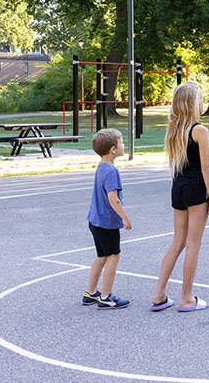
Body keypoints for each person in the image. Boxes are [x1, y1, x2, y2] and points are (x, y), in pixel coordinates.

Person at [151, 81, 209, 313]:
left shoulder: (173, 129)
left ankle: (159, 294)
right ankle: (187, 298)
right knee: (193, 245)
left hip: (177, 189)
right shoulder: (200, 130)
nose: (203, 103)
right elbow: (206, 167)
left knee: (177, 241)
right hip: (195, 190)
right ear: (192, 104)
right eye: (200, 99)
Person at [83, 128, 132, 309]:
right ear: (113, 149)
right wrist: (125, 218)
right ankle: (106, 297)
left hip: (95, 220)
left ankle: (90, 292)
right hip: (106, 223)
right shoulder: (112, 171)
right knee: (113, 256)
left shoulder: (102, 166)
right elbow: (113, 199)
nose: (123, 145)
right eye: (121, 142)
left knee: (102, 256)